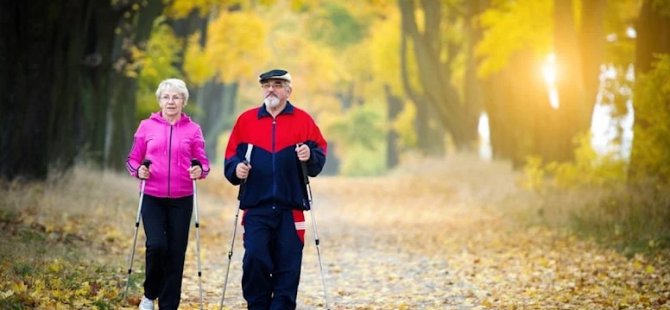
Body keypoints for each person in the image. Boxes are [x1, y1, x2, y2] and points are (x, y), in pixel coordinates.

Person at [224, 69, 327, 309]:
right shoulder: (246, 120)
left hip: (291, 208)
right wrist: (236, 169)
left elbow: (319, 156)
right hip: (256, 207)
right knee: (255, 260)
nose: (272, 89)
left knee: (288, 266)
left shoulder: (303, 120)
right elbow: (231, 156)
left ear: (288, 90)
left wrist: (310, 154)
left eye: (278, 84)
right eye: (267, 85)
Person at [126, 78, 210, 310]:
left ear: (183, 101)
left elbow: (203, 163)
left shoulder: (193, 130)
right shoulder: (146, 126)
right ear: (160, 101)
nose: (171, 101)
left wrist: (198, 170)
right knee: (157, 245)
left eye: (176, 97)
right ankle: (150, 293)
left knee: (175, 252)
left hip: (182, 198)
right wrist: (138, 170)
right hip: (152, 195)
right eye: (166, 97)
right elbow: (133, 159)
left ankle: (169, 305)